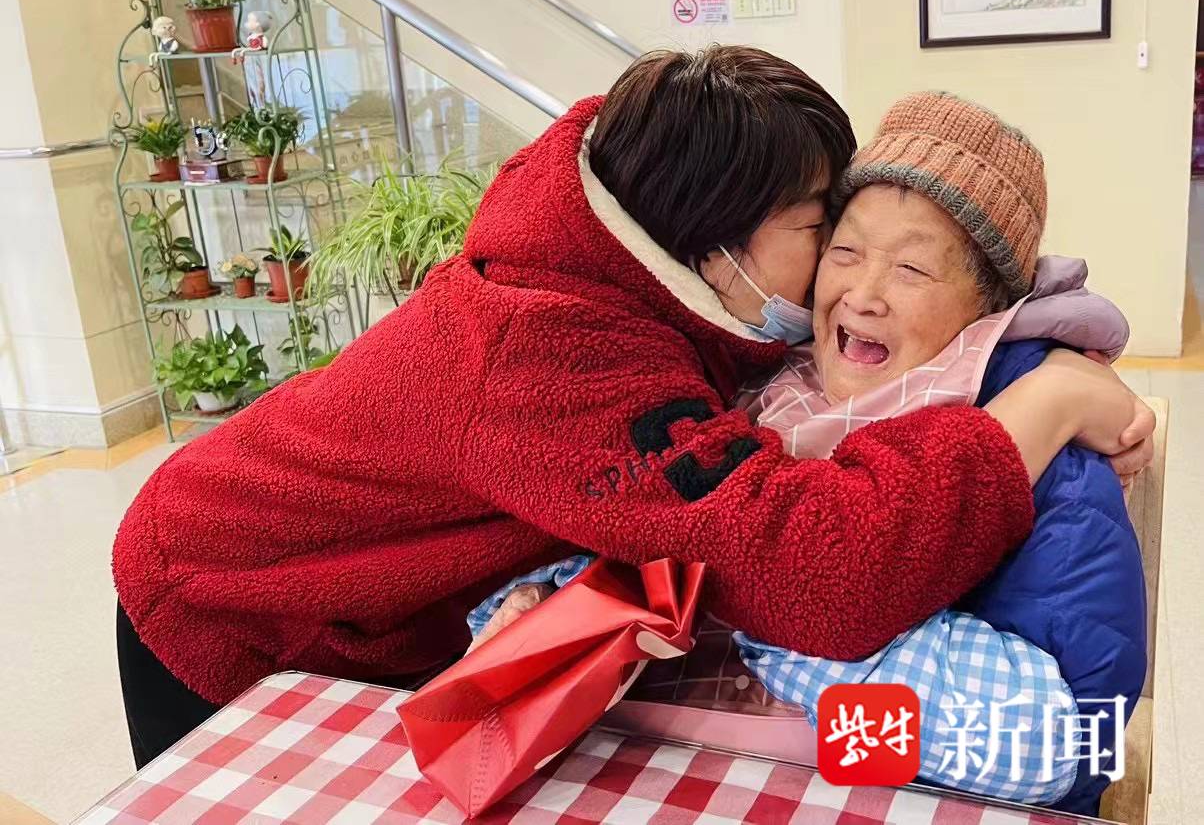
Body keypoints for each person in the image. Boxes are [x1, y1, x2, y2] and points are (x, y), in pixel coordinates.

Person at [112, 49, 1152, 767]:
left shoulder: (624, 253)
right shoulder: (554, 356)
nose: (847, 287)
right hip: (237, 599)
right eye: (825, 235)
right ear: (717, 243)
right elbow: (817, 574)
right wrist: (1053, 401)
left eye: (910, 266)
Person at [472, 93, 1145, 814]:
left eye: (912, 270)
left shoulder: (1039, 442)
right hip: (667, 778)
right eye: (844, 252)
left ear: (990, 306)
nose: (863, 293)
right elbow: (636, 540)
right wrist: (552, 601)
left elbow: (1054, 751)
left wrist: (761, 607)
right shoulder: (761, 387)